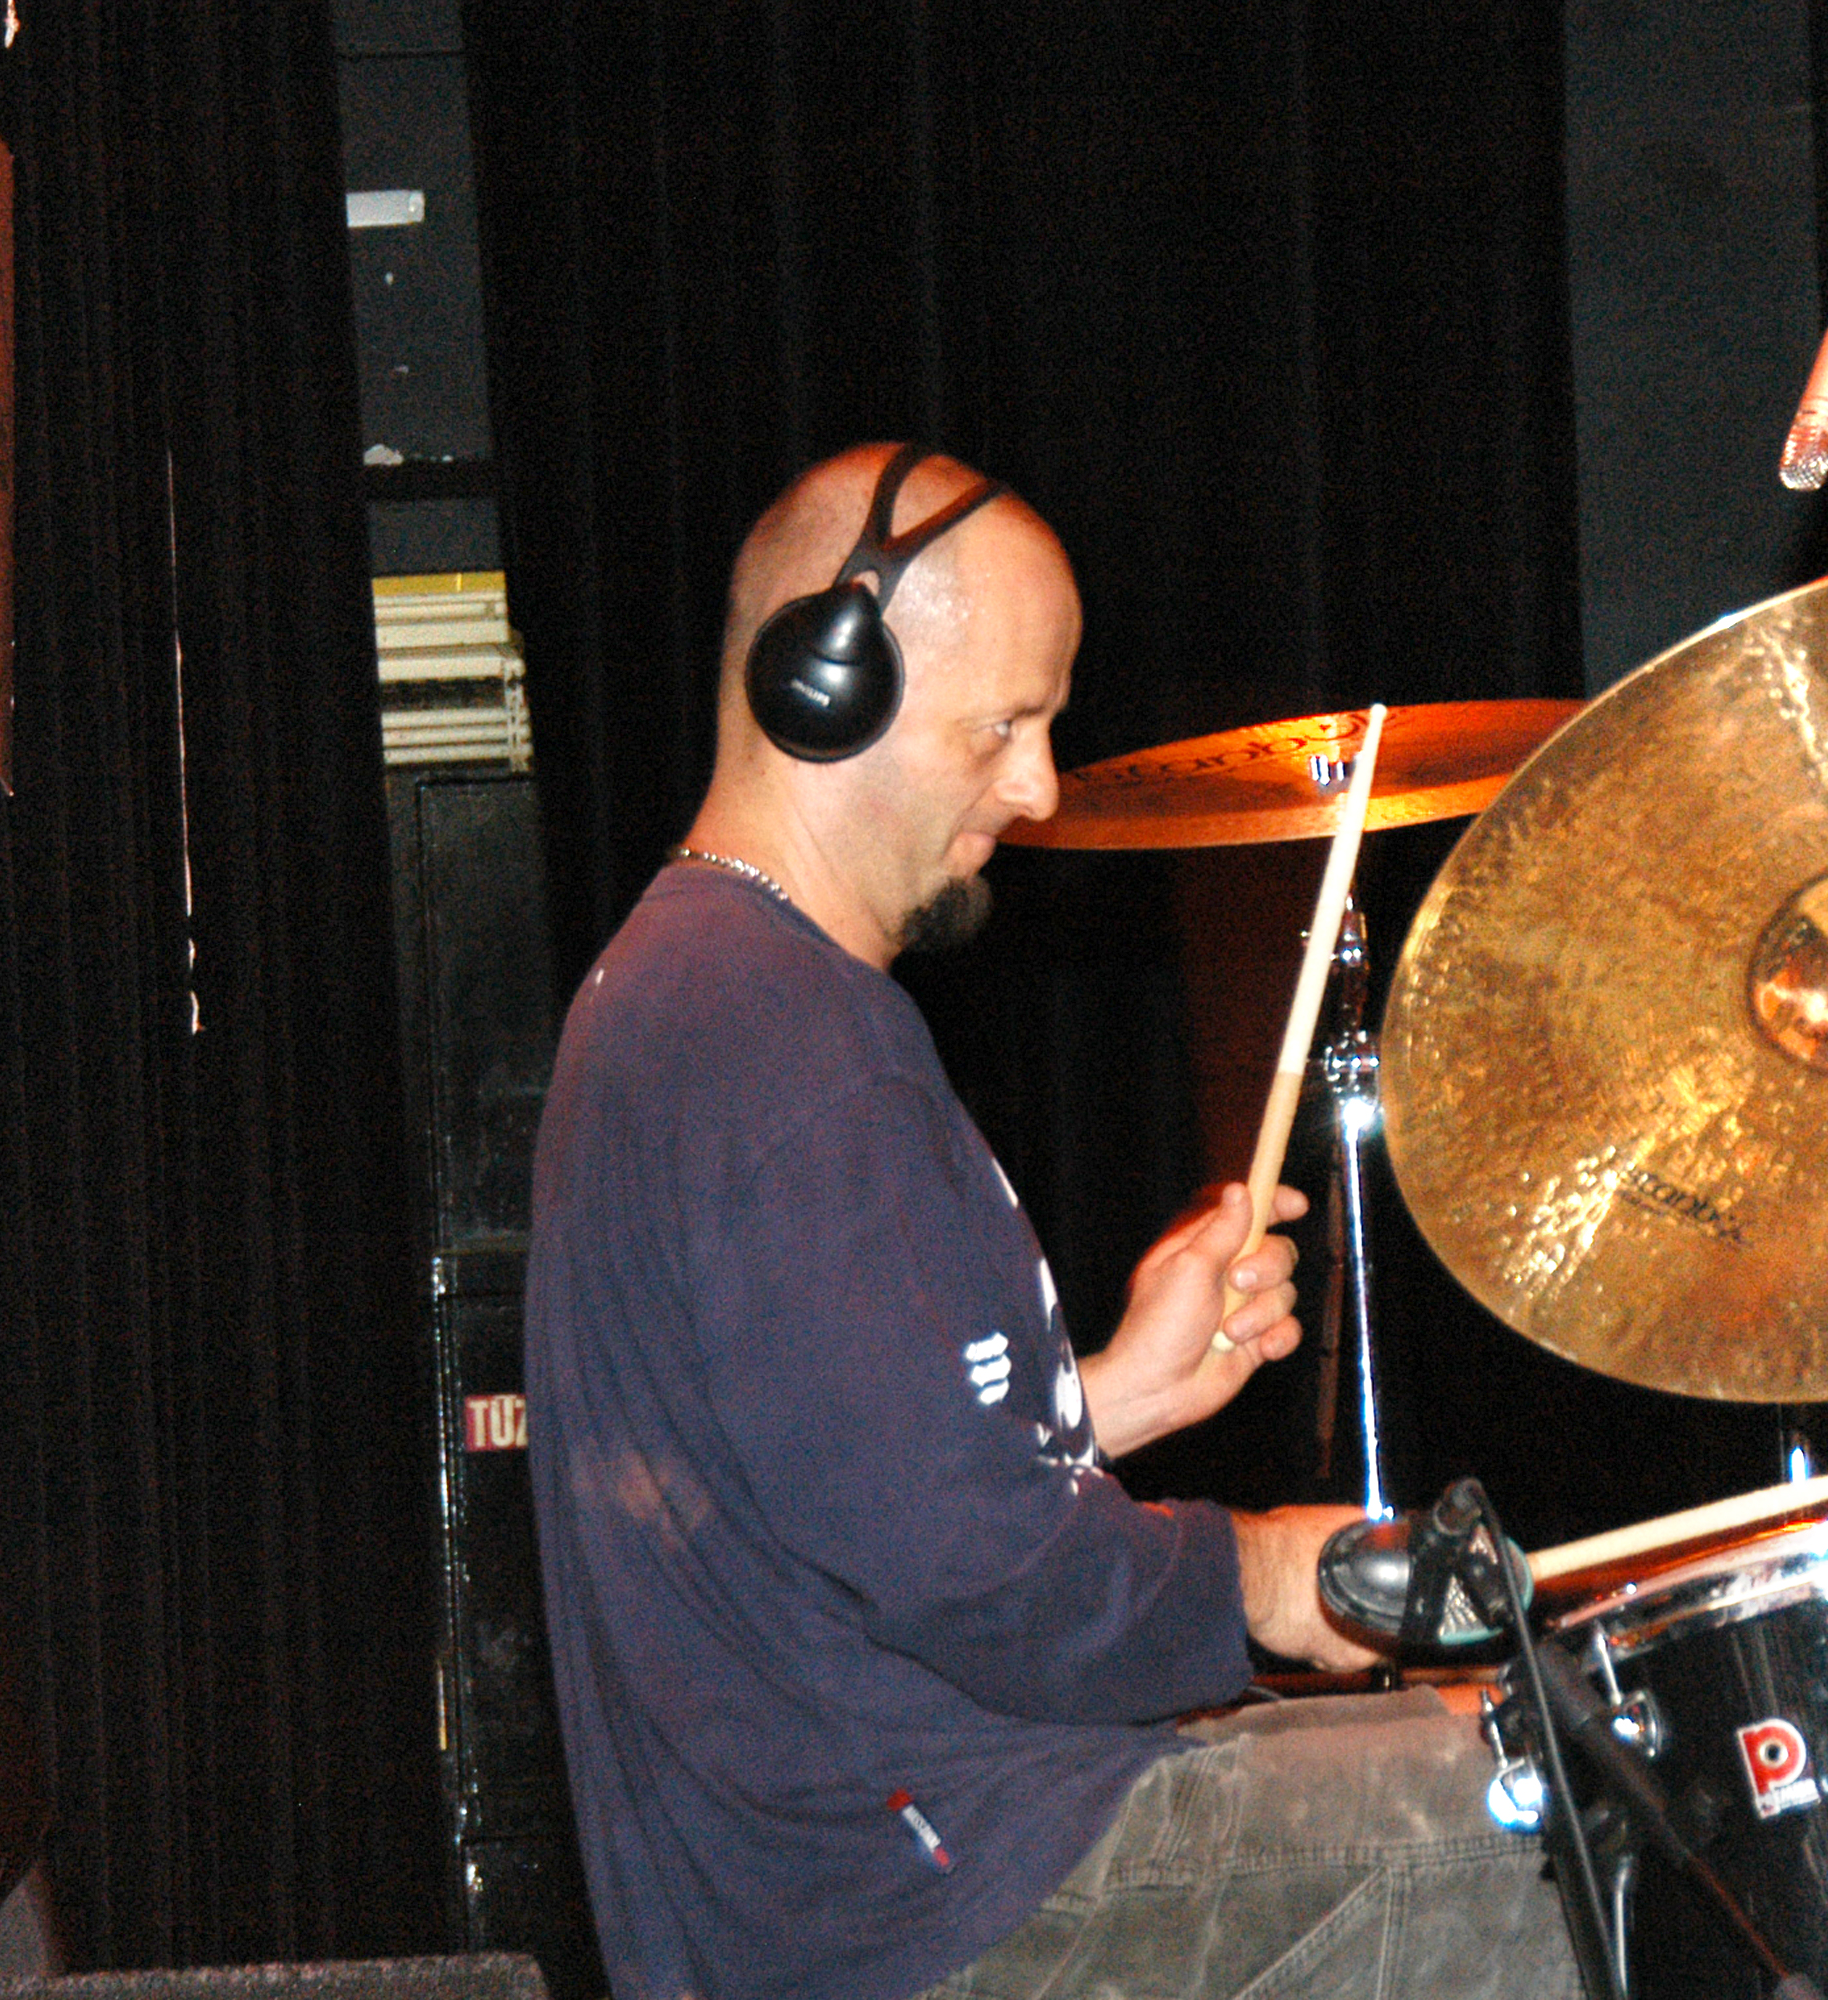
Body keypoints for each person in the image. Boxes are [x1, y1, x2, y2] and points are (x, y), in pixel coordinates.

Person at [524, 442, 1576, 2000]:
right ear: (828, 687)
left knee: (1477, 1751)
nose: (1036, 787)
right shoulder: (782, 1040)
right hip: (942, 1901)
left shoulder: (687, 995)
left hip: (863, 1873)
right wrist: (1269, 1576)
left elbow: (839, 1478)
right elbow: (970, 1572)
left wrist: (1114, 1394)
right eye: (1004, 725)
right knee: (1569, 1817)